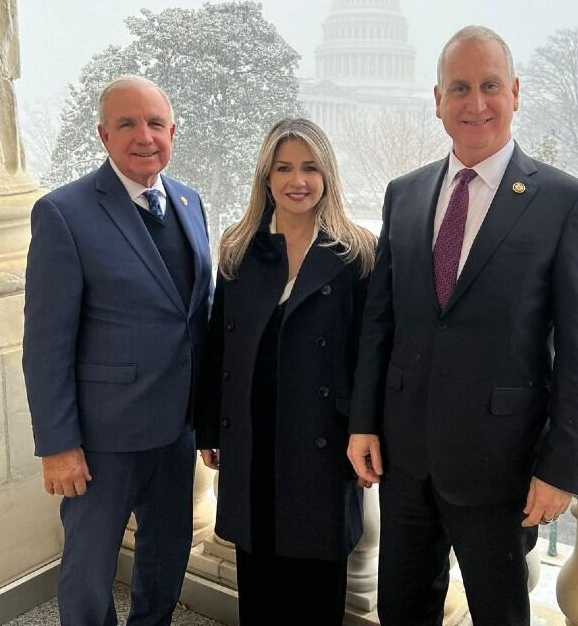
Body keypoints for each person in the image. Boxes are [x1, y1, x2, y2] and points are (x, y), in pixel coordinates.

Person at [347, 26, 578, 626]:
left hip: (503, 466)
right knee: (402, 610)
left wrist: (560, 466)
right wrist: (364, 421)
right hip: (406, 458)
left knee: (500, 615)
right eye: (459, 88)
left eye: (490, 85)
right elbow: (381, 322)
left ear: (514, 92)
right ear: (437, 101)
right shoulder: (404, 195)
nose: (476, 103)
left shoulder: (564, 202)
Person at [22, 75, 212, 625]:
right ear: (103, 135)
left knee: (167, 551)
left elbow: (195, 316)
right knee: (88, 566)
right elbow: (45, 343)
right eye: (127, 123)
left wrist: (208, 422)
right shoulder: (64, 213)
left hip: (177, 429)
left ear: (172, 131)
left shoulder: (188, 201)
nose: (144, 136)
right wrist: (58, 445)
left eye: (155, 123)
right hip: (103, 438)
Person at [196, 117, 375, 625]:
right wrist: (210, 427)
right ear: (266, 178)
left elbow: (370, 356)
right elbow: (217, 345)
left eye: (310, 167)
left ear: (328, 176)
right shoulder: (240, 247)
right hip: (252, 438)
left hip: (323, 441)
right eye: (284, 168)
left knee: (317, 592)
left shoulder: (355, 252)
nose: (298, 180)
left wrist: (367, 430)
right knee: (259, 585)